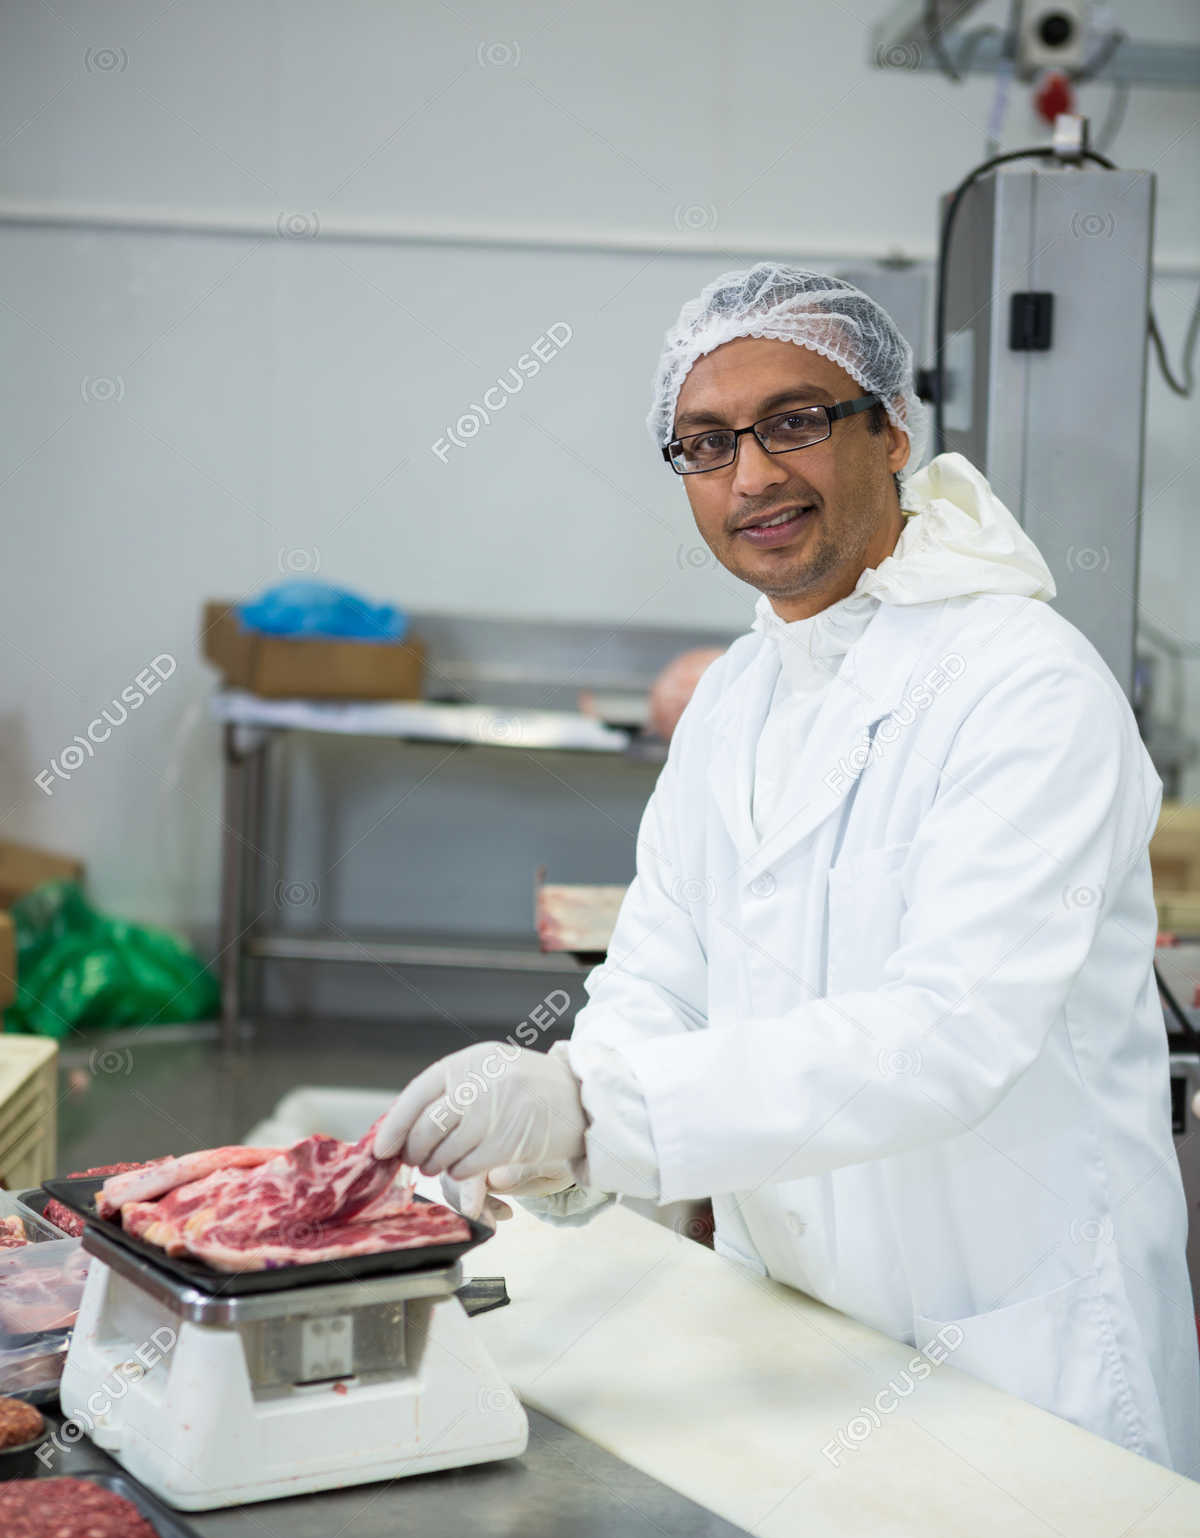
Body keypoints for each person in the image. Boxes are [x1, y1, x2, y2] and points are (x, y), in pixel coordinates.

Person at [376, 265, 1200, 1476]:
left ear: (893, 434)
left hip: (1024, 1352)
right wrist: (555, 1122)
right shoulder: (741, 699)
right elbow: (662, 981)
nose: (753, 475)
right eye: (706, 446)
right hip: (799, 1333)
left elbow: (948, 1033)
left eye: (796, 422)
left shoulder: (1028, 685)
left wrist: (605, 1116)